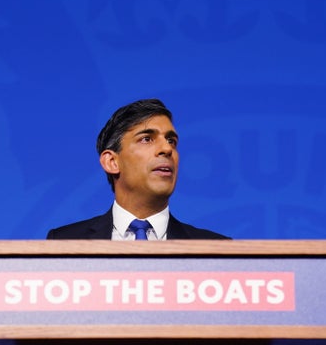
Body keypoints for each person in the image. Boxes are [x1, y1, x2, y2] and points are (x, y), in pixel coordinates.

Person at [46, 98, 229, 240]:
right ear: (112, 162)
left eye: (171, 141)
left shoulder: (217, 251)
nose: (167, 149)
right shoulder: (65, 241)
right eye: (146, 139)